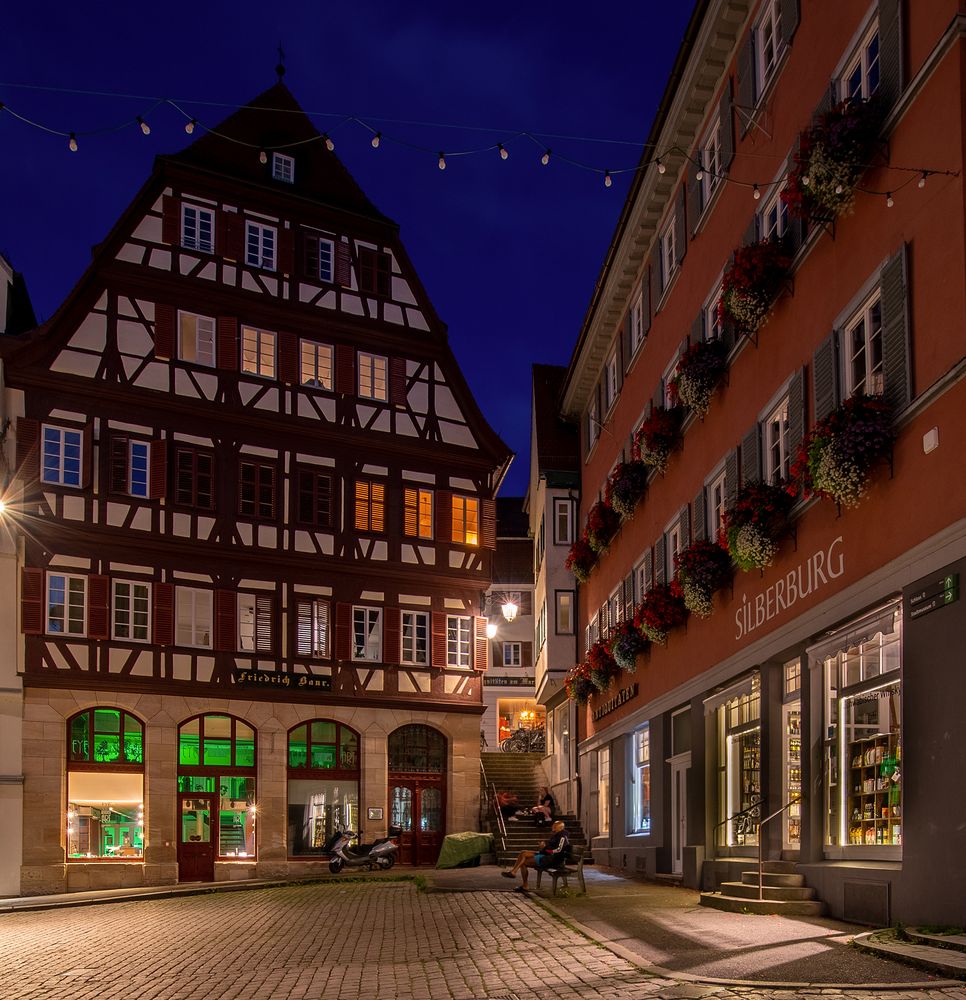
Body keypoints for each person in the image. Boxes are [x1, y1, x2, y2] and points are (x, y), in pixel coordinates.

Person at [501, 820, 569, 892]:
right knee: (523, 853)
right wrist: (543, 847)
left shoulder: (562, 837)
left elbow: (558, 850)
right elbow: (550, 848)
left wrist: (545, 849)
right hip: (546, 854)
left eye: (555, 826)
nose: (553, 827)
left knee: (523, 863)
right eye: (553, 825)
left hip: (551, 859)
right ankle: (513, 872)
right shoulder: (556, 835)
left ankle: (524, 884)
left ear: (561, 828)